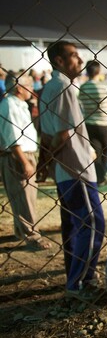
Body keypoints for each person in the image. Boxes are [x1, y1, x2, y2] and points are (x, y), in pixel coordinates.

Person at [38, 40, 105, 300]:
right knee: (93, 224)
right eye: (74, 56)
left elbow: (46, 134)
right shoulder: (64, 87)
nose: (80, 61)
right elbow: (63, 133)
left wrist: (46, 162)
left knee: (74, 227)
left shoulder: (49, 87)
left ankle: (75, 279)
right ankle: (80, 282)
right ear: (59, 61)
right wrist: (50, 159)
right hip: (77, 168)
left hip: (65, 171)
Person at [0, 72, 48, 249]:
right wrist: (24, 162)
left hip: (24, 154)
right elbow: (13, 137)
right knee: (24, 198)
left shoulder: (20, 104)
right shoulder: (9, 105)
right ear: (19, 87)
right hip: (18, 156)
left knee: (25, 196)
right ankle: (32, 236)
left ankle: (21, 231)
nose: (32, 89)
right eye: (29, 85)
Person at [79, 60, 107, 184]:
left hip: (89, 123)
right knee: (106, 151)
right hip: (105, 123)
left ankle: (96, 176)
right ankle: (102, 177)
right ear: (99, 71)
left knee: (95, 152)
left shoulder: (83, 87)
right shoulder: (105, 86)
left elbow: (81, 105)